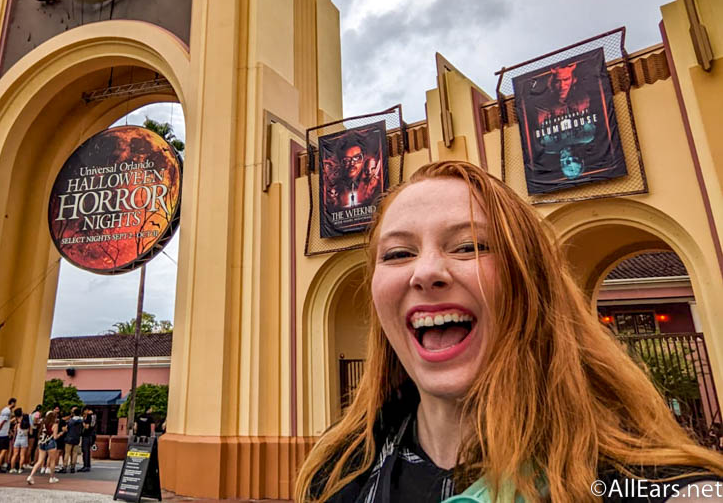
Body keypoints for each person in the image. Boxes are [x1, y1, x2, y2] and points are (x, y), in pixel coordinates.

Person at [295, 161, 723, 503]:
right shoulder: (338, 474)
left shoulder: (638, 482)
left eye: (470, 246)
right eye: (398, 253)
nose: (425, 272)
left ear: (531, 281)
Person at [27, 410, 61, 485]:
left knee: (39, 460)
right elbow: (55, 437)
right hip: (50, 442)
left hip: (42, 442)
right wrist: (61, 433)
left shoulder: (43, 423)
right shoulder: (55, 424)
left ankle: (31, 476)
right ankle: (52, 477)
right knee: (52, 461)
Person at [0, 397, 16, 473]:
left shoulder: (3, 410)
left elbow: (4, 421)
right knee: (4, 450)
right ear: (12, 403)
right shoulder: (8, 411)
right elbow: (3, 422)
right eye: (15, 403)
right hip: (3, 433)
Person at [62, 406, 83, 473]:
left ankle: (65, 467)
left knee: (67, 453)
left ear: (73, 413)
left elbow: (66, 429)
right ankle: (73, 467)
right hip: (77, 438)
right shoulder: (81, 421)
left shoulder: (71, 421)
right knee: (75, 453)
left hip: (69, 437)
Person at [9, 407, 30, 473]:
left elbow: (15, 431)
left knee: (15, 454)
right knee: (22, 455)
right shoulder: (26, 422)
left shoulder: (17, 423)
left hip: (17, 439)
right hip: (24, 439)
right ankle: (20, 468)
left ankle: (12, 468)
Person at [79, 408, 97, 472]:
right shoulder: (94, 416)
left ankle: (86, 466)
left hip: (87, 435)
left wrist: (83, 421)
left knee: (85, 451)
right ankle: (87, 465)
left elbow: (87, 426)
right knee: (87, 451)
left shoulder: (89, 416)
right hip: (92, 435)